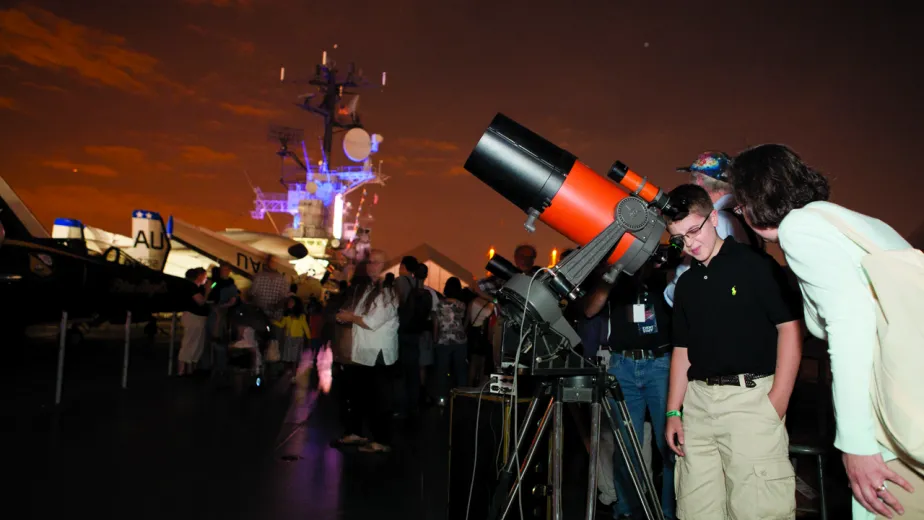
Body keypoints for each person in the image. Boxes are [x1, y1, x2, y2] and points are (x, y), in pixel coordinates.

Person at [728, 143, 922, 520]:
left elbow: (850, 326)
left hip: (895, 425)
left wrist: (857, 444)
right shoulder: (856, 223)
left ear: (753, 202)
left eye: (739, 205)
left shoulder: (800, 228)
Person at [663, 184, 802, 520]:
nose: (690, 243)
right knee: (696, 511)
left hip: (751, 401)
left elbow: (790, 328)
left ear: (713, 218)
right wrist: (673, 412)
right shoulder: (686, 285)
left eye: (694, 230)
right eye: (679, 238)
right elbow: (682, 349)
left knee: (757, 510)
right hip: (697, 407)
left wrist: (777, 402)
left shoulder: (756, 266)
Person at [585, 263, 675, 520]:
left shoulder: (663, 274)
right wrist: (611, 277)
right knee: (627, 445)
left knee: (668, 443)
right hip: (622, 365)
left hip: (660, 364)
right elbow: (590, 309)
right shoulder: (614, 277)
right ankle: (626, 510)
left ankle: (669, 511)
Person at [664, 151, 756, 307]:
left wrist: (669, 286)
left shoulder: (715, 221)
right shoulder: (745, 214)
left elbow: (686, 286)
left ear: (699, 180)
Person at [335, 250, 399, 454]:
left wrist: (349, 317)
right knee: (358, 395)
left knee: (378, 399)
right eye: (369, 262)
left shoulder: (387, 292)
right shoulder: (369, 289)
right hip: (364, 352)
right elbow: (361, 315)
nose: (371, 266)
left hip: (376, 353)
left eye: (376, 263)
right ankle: (356, 432)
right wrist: (348, 316)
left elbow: (372, 322)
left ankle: (381, 440)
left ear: (385, 266)